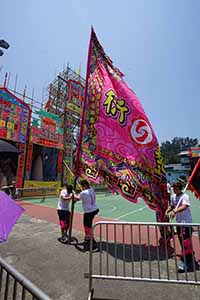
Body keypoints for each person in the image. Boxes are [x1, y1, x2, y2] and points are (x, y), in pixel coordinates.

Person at [165, 181, 198, 272]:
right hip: (179, 223)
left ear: (180, 188)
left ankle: (184, 263)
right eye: (173, 188)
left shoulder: (185, 196)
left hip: (186, 223)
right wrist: (167, 210)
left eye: (176, 188)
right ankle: (189, 255)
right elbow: (172, 206)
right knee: (182, 241)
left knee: (185, 242)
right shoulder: (173, 197)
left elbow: (184, 206)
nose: (174, 189)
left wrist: (175, 211)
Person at [73, 180, 99, 251]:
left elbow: (77, 198)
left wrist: (73, 193)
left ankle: (92, 246)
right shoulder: (91, 189)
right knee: (89, 227)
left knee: (87, 228)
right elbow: (80, 198)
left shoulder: (83, 192)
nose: (82, 188)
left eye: (82, 186)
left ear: (84, 186)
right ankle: (92, 240)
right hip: (94, 209)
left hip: (89, 211)